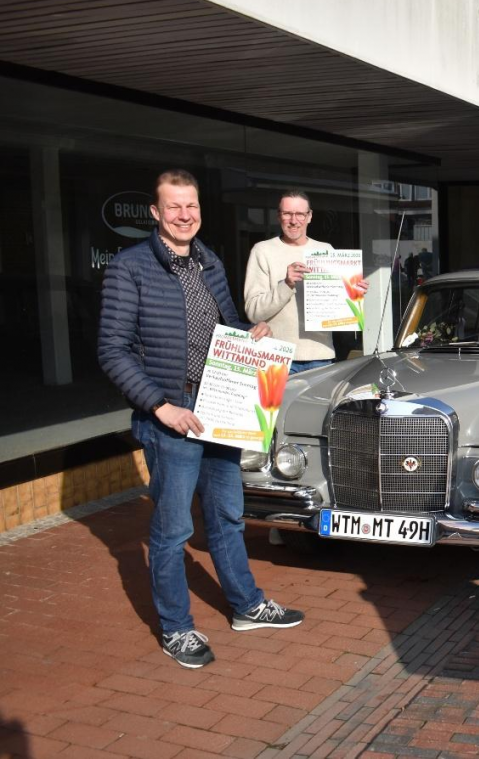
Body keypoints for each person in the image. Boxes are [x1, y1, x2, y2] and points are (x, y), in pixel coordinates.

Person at [98, 170, 305, 670]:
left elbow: (225, 325)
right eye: (174, 207)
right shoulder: (130, 268)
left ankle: (246, 605)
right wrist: (159, 406)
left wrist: (248, 333)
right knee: (171, 532)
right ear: (155, 212)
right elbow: (112, 350)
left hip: (223, 409)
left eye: (190, 206)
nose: (184, 215)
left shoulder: (208, 260)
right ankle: (176, 628)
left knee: (228, 517)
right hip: (172, 418)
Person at [243, 190, 368, 375]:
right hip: (277, 357)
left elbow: (338, 311)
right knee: (281, 406)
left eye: (300, 214)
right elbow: (253, 312)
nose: (294, 221)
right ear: (279, 216)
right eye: (287, 214)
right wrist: (286, 285)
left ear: (309, 216)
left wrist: (352, 293)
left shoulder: (325, 250)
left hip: (321, 355)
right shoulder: (262, 251)